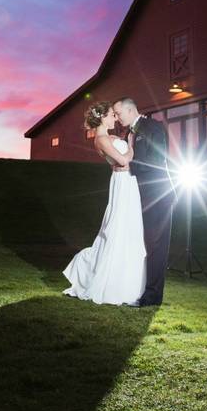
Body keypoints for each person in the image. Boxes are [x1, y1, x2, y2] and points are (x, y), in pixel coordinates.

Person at [61, 100, 147, 306]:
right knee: (118, 228)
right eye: (111, 114)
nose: (115, 118)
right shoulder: (101, 139)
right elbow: (124, 161)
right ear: (102, 117)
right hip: (122, 182)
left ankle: (133, 282)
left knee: (131, 228)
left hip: (130, 182)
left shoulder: (111, 136)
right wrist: (132, 144)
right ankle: (110, 282)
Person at [113, 97, 172, 307]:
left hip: (157, 193)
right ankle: (135, 289)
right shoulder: (127, 133)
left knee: (156, 245)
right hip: (135, 195)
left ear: (130, 110)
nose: (117, 118)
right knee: (139, 243)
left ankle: (152, 297)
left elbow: (158, 158)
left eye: (118, 113)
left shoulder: (152, 126)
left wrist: (129, 166)